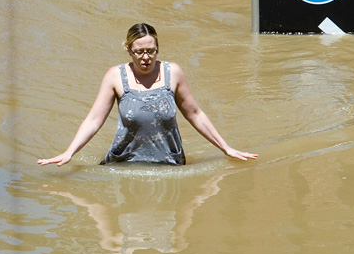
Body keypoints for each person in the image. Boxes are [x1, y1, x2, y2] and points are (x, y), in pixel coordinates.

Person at [38, 23, 258, 166]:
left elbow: (195, 114)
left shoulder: (173, 73)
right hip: (124, 164)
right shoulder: (115, 76)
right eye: (139, 51)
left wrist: (225, 147)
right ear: (129, 50)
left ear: (158, 49)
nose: (145, 57)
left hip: (169, 164)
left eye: (150, 51)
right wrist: (70, 152)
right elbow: (94, 120)